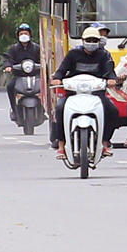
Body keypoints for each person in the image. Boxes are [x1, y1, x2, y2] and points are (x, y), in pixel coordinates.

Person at [50, 27, 119, 159]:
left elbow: (109, 71)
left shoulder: (104, 55)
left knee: (112, 111)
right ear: (82, 40)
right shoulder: (73, 54)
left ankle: (104, 143)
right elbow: (62, 69)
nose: (91, 42)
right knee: (60, 109)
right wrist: (57, 79)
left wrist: (111, 79)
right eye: (89, 40)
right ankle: (61, 145)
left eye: (95, 40)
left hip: (96, 93)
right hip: (74, 93)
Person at [2, 23, 41, 122]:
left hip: (35, 76)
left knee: (44, 87)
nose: (24, 35)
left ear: (30, 35)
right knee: (10, 86)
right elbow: (8, 59)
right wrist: (8, 66)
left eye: (26, 33)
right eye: (21, 33)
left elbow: (43, 59)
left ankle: (43, 109)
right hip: (19, 76)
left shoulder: (37, 48)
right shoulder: (14, 49)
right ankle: (14, 110)